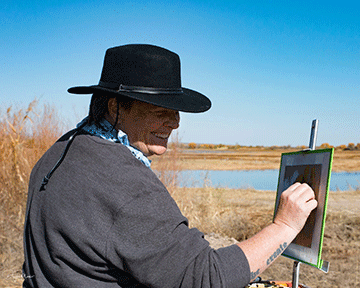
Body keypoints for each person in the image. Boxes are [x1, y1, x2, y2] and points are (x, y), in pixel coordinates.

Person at [22, 44, 317, 287]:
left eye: (175, 112)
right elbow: (205, 279)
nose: (175, 123)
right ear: (115, 107)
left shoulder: (64, 147)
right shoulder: (126, 183)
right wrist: (284, 226)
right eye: (160, 110)